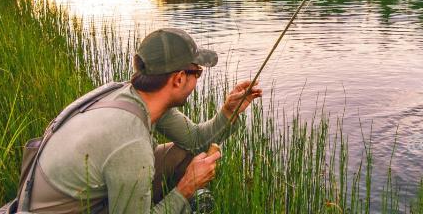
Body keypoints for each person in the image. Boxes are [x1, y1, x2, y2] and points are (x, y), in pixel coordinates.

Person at [28, 28, 262, 213]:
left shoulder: (132, 96)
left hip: (76, 196)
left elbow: (194, 141)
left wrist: (230, 112)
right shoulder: (130, 144)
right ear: (179, 79)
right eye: (197, 73)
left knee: (182, 155)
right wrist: (187, 187)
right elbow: (130, 152)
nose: (197, 79)